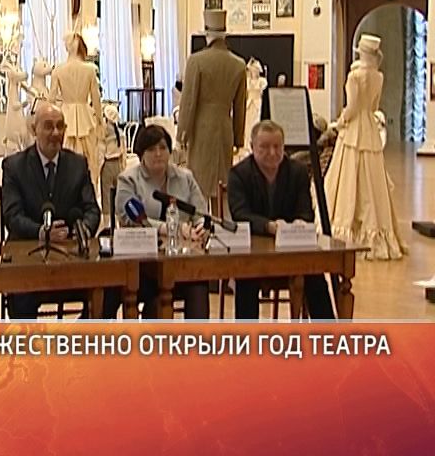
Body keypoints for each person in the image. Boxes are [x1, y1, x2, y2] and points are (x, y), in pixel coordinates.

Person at [1, 102, 101, 318]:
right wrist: (41, 232)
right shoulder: (14, 166)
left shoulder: (78, 164)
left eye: (60, 126)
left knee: (106, 289)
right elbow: (12, 215)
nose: (55, 133)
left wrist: (80, 230)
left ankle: (79, 336)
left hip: (71, 257)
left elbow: (92, 209)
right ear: (33, 129)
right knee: (20, 297)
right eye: (48, 126)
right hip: (28, 259)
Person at [228, 120, 335, 319]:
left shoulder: (297, 172)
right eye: (265, 147)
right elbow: (240, 214)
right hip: (254, 253)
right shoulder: (239, 174)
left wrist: (299, 224)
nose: (272, 153)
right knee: (246, 278)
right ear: (252, 147)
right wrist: (269, 226)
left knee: (315, 274)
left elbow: (306, 212)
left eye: (277, 147)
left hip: (292, 250)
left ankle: (329, 334)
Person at [107, 125, 209, 318]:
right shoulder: (128, 180)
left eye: (163, 148)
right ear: (141, 154)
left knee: (198, 283)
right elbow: (129, 220)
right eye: (151, 149)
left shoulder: (185, 178)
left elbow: (200, 214)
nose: (158, 154)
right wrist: (171, 229)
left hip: (180, 263)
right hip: (141, 267)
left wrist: (201, 227)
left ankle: (197, 337)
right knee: (154, 297)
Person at [324, 34, 406, 260]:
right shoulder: (378, 76)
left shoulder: (355, 76)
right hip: (369, 128)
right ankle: (376, 231)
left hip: (354, 131)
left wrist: (340, 121)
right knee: (372, 181)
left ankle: (348, 228)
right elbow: (373, 106)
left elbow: (351, 108)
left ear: (361, 52)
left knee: (349, 180)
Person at [177, 9, 247, 206]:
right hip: (225, 128)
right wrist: (238, 138)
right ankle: (219, 219)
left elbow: (188, 102)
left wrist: (182, 135)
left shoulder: (196, 61)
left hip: (201, 128)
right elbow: (240, 106)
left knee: (199, 183)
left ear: (207, 34)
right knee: (221, 184)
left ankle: (201, 221)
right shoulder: (239, 64)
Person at [49, 32, 103, 187]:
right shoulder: (89, 69)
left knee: (64, 157)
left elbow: (51, 100)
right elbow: (96, 99)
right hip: (85, 117)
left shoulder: (58, 70)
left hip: (66, 115)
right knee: (89, 159)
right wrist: (100, 121)